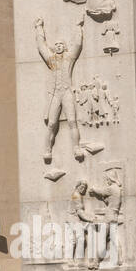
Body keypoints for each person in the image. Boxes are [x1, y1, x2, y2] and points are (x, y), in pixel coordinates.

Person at [36, 14, 84, 165]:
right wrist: (39, 28)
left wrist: (78, 27)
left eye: (61, 44)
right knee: (51, 124)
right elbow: (41, 46)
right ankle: (47, 149)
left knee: (72, 121)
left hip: (67, 92)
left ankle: (76, 147)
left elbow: (77, 45)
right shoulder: (51, 59)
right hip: (55, 94)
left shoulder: (69, 58)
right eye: (56, 44)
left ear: (64, 47)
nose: (58, 46)